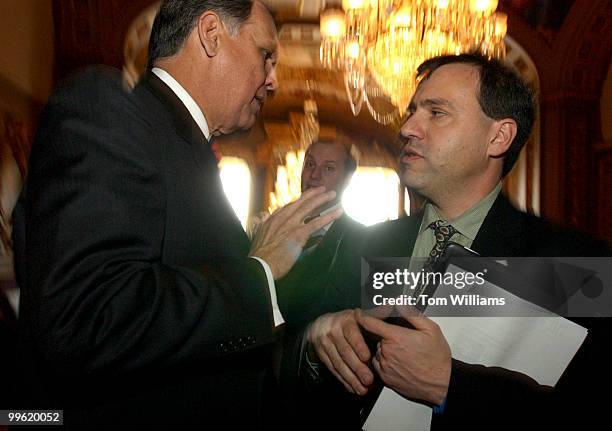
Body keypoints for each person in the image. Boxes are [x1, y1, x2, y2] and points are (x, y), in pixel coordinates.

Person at [11, 0, 341, 428]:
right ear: (210, 34)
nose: (273, 80)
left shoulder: (186, 147)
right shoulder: (109, 105)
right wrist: (258, 274)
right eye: (265, 56)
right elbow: (84, 318)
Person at [288, 54, 611, 429]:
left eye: (436, 113)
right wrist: (316, 346)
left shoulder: (570, 263)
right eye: (412, 112)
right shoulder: (366, 245)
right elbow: (305, 387)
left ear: (498, 137)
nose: (408, 128)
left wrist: (450, 387)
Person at [276, 137, 363, 330]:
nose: (314, 175)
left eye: (328, 168)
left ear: (347, 179)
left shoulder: (363, 241)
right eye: (310, 164)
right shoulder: (276, 229)